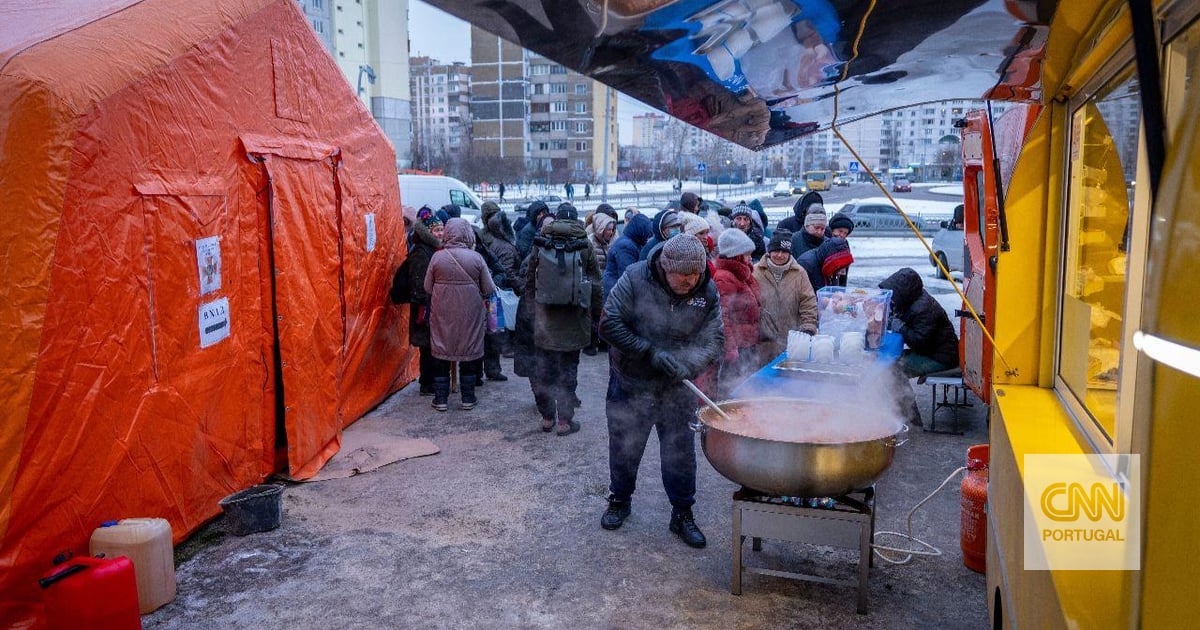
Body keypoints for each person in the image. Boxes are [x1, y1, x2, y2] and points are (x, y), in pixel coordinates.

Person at [599, 234, 723, 548]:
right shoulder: (635, 278)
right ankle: (620, 500)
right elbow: (608, 323)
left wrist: (689, 364)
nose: (689, 280)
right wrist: (649, 352)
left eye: (695, 273)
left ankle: (682, 513)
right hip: (632, 382)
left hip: (677, 387)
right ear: (666, 267)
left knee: (680, 453)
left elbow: (714, 340)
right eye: (682, 274)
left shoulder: (706, 290)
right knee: (625, 446)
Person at [526, 203, 603, 435]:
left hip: (545, 319)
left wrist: (532, 312)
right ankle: (564, 422)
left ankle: (547, 417)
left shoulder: (541, 242)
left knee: (545, 369)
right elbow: (596, 285)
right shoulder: (585, 245)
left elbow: (530, 280)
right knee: (568, 371)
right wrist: (596, 316)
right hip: (575, 318)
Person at [424, 218, 496, 412]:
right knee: (468, 351)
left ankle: (441, 399)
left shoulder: (437, 258)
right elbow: (489, 288)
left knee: (441, 351)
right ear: (467, 234)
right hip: (470, 314)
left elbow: (427, 287)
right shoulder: (476, 258)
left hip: (442, 314)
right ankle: (468, 398)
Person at [878, 267, 960, 426]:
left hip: (940, 356)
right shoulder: (910, 301)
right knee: (887, 361)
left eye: (895, 294)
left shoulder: (924, 309)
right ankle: (897, 412)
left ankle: (909, 418)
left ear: (904, 293)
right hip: (932, 350)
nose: (893, 299)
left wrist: (900, 327)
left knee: (893, 370)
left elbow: (921, 342)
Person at [753, 230, 819, 363]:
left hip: (791, 342)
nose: (779, 255)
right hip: (762, 344)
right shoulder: (755, 272)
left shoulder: (799, 273)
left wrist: (807, 328)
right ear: (769, 251)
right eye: (776, 250)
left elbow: (808, 303)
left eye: (784, 252)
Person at [712, 228, 762, 396]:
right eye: (747, 254)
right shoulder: (724, 277)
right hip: (737, 350)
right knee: (733, 390)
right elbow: (723, 317)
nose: (750, 258)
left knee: (746, 388)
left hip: (747, 344)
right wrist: (730, 349)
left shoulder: (743, 274)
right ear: (736, 255)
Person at [408, 208, 443, 396]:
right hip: (424, 308)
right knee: (427, 347)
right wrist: (429, 300)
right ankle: (427, 383)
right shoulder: (421, 252)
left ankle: (431, 381)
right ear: (428, 232)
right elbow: (418, 284)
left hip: (431, 305)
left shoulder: (434, 249)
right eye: (436, 230)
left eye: (442, 229)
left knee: (432, 345)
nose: (440, 233)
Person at [584, 211, 617, 356]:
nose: (611, 232)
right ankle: (590, 343)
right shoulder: (590, 242)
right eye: (608, 229)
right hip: (594, 284)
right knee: (592, 314)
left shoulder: (613, 241)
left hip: (607, 284)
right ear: (600, 228)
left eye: (612, 229)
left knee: (605, 314)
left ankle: (603, 342)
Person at [603, 213, 653, 301]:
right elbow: (629, 275)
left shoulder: (631, 242)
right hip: (617, 296)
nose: (647, 237)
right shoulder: (625, 246)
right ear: (640, 231)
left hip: (617, 292)